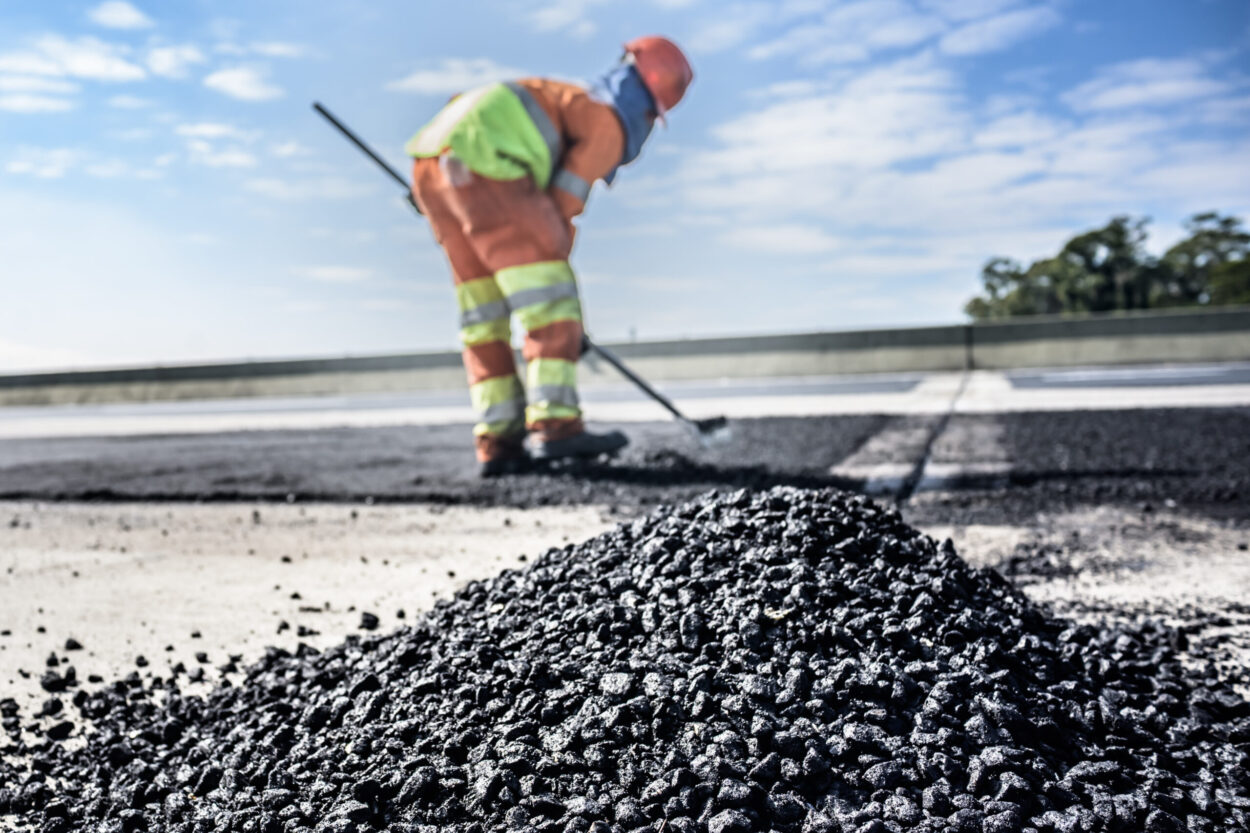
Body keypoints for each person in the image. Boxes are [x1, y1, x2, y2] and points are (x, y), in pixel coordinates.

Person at [406, 36, 693, 477]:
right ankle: (556, 428)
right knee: (551, 300)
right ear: (648, 107)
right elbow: (557, 215)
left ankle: (498, 441)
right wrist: (567, 327)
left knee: (484, 316)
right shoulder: (606, 122)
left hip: (433, 162)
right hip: (490, 162)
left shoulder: (565, 98)